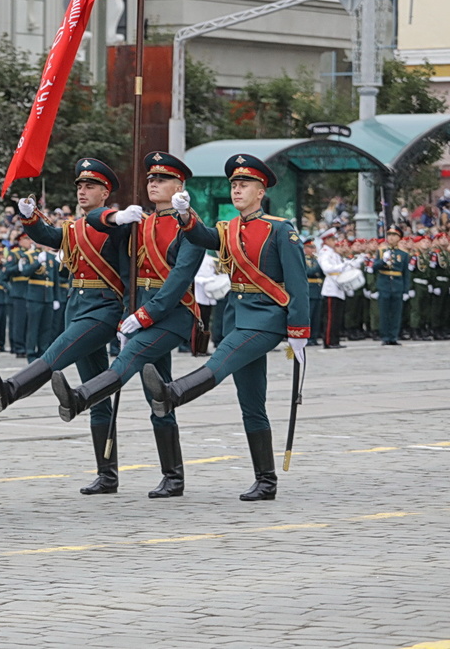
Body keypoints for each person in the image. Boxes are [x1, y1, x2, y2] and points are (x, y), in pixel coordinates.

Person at [143, 154, 309, 501]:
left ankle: (172, 394)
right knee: (251, 403)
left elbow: (297, 283)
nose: (237, 190)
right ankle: (266, 480)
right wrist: (186, 217)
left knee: (221, 361)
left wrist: (299, 329)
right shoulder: (228, 229)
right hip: (237, 316)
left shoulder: (280, 229)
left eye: (244, 185)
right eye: (233, 185)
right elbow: (202, 236)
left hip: (266, 319)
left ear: (260, 191)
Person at [49, 152, 205, 499]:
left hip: (168, 316)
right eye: (150, 179)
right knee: (158, 394)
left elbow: (178, 281)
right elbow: (127, 274)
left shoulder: (190, 226)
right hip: (137, 315)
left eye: (162, 180)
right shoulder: (140, 225)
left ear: (179, 187)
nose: (153, 184)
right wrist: (126, 314)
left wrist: (143, 316)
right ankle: (134, 475)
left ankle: (80, 398)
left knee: (140, 371)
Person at [0, 158, 139, 494]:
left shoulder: (118, 224)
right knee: (97, 392)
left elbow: (128, 272)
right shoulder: (73, 228)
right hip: (78, 306)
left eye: (90, 187)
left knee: (56, 354)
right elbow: (50, 235)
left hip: (103, 310)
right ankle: (107, 475)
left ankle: (11, 389)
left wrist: (131, 314)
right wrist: (28, 215)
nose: (83, 192)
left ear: (105, 192)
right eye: (80, 187)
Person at [372, 226, 411, 346]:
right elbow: (374, 267)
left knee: (396, 313)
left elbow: (406, 273)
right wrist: (383, 260)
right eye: (389, 235)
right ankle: (385, 336)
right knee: (384, 312)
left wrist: (406, 290)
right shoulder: (381, 251)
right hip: (384, 284)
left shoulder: (404, 254)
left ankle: (394, 336)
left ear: (399, 238)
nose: (391, 237)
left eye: (394, 235)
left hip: (397, 285)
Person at [316, 229, 347, 349]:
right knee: (330, 318)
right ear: (327, 240)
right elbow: (327, 268)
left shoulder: (333, 253)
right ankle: (328, 341)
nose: (335, 242)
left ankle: (335, 340)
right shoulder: (325, 252)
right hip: (330, 287)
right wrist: (342, 266)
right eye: (333, 239)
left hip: (338, 286)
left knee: (337, 317)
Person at [304, 241, 324, 345]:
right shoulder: (303, 259)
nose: (313, 250)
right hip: (309, 290)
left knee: (317, 317)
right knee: (310, 316)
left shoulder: (316, 259)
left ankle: (314, 337)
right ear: (305, 248)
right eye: (310, 247)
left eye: (314, 247)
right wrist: (319, 265)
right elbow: (309, 272)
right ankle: (308, 338)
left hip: (318, 290)